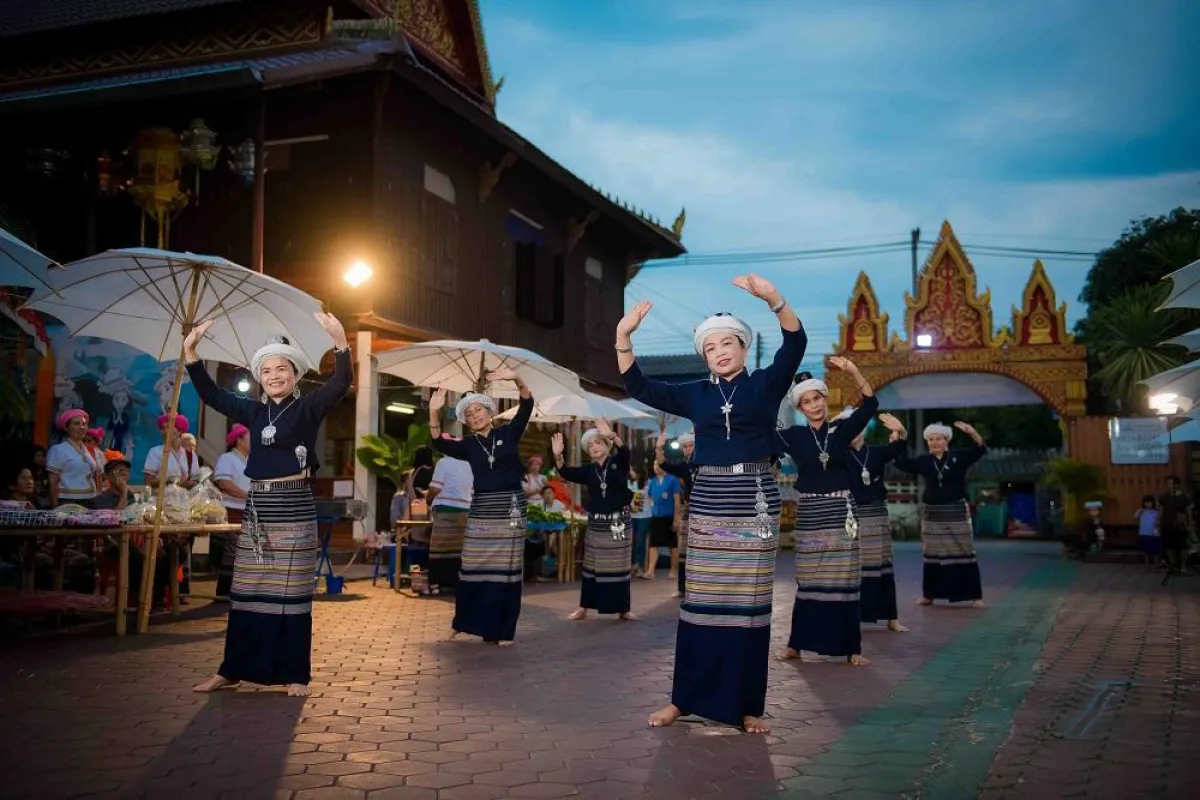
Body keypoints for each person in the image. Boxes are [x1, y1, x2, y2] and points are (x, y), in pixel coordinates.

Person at [618, 273, 805, 734]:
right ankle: (684, 700)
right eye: (711, 347)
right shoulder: (694, 394)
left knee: (747, 607)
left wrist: (774, 300)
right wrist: (624, 337)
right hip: (709, 500)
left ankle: (747, 706)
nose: (720, 352)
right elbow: (639, 386)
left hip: (752, 498)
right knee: (700, 603)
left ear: (742, 346)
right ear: (704, 356)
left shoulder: (764, 384)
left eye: (728, 343)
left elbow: (794, 344)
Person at [185, 312, 352, 697]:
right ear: (259, 377)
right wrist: (192, 353)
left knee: (291, 593)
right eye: (267, 370)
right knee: (246, 590)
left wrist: (340, 342)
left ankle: (295, 674)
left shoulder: (308, 407)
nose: (275, 375)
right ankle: (232, 670)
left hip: (293, 505)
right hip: (260, 507)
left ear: (294, 374)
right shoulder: (254, 412)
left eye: (282, 369)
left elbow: (340, 383)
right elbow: (210, 394)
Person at [776, 362, 880, 666]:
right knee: (808, 578)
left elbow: (870, 403)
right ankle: (797, 644)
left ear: (825, 398)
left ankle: (852, 648)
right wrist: (779, 392)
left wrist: (852, 370)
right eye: (806, 402)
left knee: (844, 578)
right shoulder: (793, 435)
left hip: (840, 511)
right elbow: (762, 430)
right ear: (800, 407)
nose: (813, 405)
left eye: (817, 398)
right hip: (810, 512)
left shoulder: (842, 429)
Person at [428, 370, 534, 646]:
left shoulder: (509, 432)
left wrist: (516, 378)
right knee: (472, 566)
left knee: (508, 571)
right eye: (469, 414)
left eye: (478, 410)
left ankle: (503, 630)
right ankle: (464, 623)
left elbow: (527, 404)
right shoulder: (467, 445)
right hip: (482, 510)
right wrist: (433, 413)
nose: (475, 416)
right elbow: (437, 441)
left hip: (510, 507)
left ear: (489, 411)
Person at [894, 421, 987, 607]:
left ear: (947, 441)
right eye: (930, 439)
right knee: (932, 554)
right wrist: (897, 440)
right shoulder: (924, 461)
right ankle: (929, 595)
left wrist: (972, 432)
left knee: (964, 552)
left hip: (956, 511)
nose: (934, 442)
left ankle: (975, 596)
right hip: (933, 513)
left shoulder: (959, 457)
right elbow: (901, 463)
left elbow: (980, 449)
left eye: (938, 439)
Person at [552, 419, 637, 621]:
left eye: (598, 442)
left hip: (619, 523)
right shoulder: (588, 471)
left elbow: (625, 453)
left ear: (606, 445)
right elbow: (565, 472)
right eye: (590, 445)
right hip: (597, 524)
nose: (594, 447)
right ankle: (584, 608)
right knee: (591, 567)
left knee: (620, 566)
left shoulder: (618, 463)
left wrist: (613, 436)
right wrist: (557, 455)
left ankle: (623, 609)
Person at [845, 412, 909, 632]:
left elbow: (899, 448)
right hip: (851, 516)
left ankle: (891, 618)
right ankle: (853, 617)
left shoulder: (878, 452)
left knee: (882, 566)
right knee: (852, 569)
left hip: (877, 514)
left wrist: (900, 430)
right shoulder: (839, 455)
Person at [656, 430, 696, 599]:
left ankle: (701, 588)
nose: (688, 449)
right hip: (690, 509)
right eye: (685, 447)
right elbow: (663, 464)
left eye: (691, 445)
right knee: (684, 550)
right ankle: (682, 588)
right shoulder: (683, 466)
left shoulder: (707, 462)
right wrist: (659, 448)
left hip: (707, 509)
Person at [213, 424, 252, 597]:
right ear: (239, 439)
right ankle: (224, 592)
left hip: (250, 511)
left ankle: (242, 591)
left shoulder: (253, 460)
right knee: (233, 551)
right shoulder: (227, 458)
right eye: (251, 437)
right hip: (232, 510)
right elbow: (224, 484)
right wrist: (248, 496)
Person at [426, 453, 472, 595]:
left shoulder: (443, 462)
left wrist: (428, 499)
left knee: (439, 547)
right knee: (459, 548)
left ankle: (435, 584)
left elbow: (435, 488)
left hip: (446, 508)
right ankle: (456, 582)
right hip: (465, 509)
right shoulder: (468, 464)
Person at [47, 409, 102, 507]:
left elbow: (97, 475)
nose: (82, 427)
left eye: (84, 424)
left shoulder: (91, 450)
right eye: (77, 424)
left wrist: (98, 494)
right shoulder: (58, 450)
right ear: (66, 427)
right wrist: (55, 507)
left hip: (90, 499)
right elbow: (53, 481)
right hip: (68, 501)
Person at [143, 413, 201, 490]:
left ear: (180, 431)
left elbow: (196, 480)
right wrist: (169, 482)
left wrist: (190, 484)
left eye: (169, 427)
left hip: (184, 499)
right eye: (163, 428)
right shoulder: (155, 452)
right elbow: (149, 482)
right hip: (161, 499)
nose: (165, 431)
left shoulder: (190, 455)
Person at [644, 462, 682, 580]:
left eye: (659, 465)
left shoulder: (673, 479)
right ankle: (650, 571)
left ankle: (673, 571)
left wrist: (676, 519)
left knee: (672, 545)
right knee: (653, 544)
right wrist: (653, 505)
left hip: (669, 516)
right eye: (655, 465)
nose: (656, 468)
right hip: (656, 516)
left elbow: (677, 501)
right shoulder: (653, 481)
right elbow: (649, 496)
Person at [404, 446, 436, 573]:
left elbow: (408, 496)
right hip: (432, 518)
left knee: (416, 556)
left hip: (414, 519)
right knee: (431, 553)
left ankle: (417, 580)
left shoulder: (410, 475)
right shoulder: (435, 473)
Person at [1158, 476, 1191, 574]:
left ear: (1177, 485)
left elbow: (1189, 511)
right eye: (1168, 483)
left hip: (1181, 525)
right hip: (1167, 524)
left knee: (1184, 546)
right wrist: (1158, 523)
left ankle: (1183, 566)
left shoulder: (1185, 497)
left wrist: (1190, 524)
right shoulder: (1164, 497)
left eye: (1172, 483)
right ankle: (1173, 565)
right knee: (1170, 546)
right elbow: (1161, 511)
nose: (1170, 486)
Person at [628, 464, 651, 577]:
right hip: (632, 516)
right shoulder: (630, 483)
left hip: (645, 516)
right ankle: (631, 564)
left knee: (640, 541)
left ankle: (640, 565)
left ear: (639, 472)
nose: (631, 472)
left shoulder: (649, 483)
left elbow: (652, 498)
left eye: (633, 470)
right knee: (630, 541)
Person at [1135, 494, 1161, 569]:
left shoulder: (1155, 512)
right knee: (1146, 551)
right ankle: (1147, 565)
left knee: (1155, 551)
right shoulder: (1142, 511)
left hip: (1153, 533)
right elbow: (1135, 516)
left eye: (1149, 502)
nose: (1147, 504)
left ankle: (1156, 564)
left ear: (1153, 503)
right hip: (1143, 533)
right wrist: (1139, 510)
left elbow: (1158, 521)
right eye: (1146, 502)